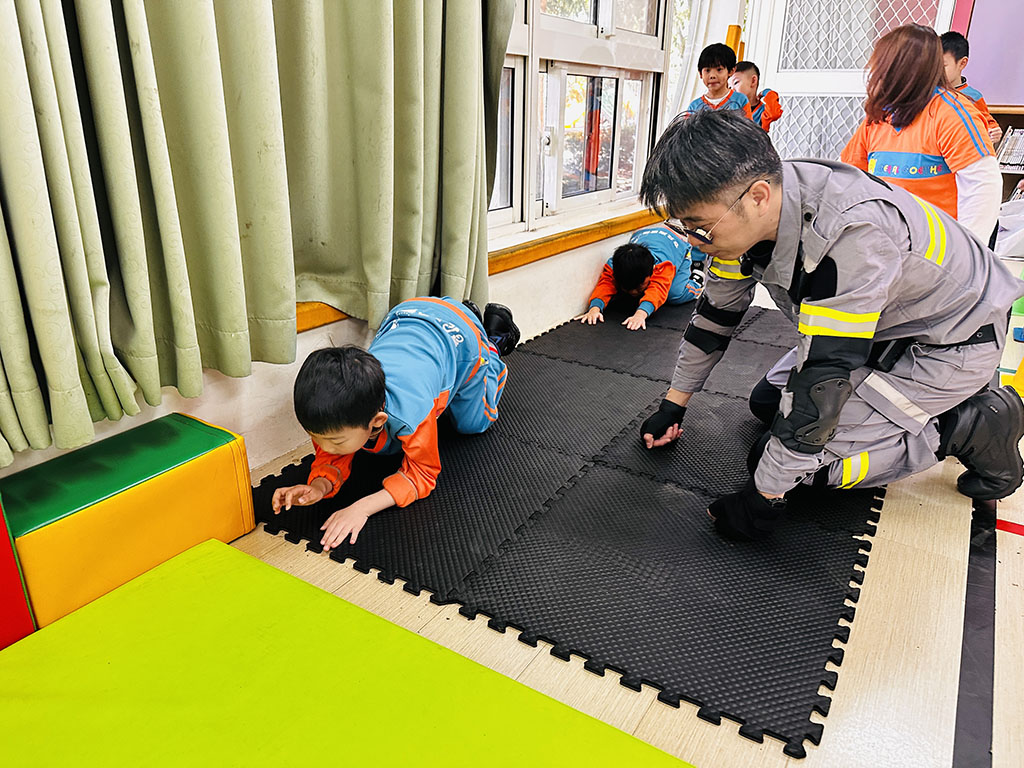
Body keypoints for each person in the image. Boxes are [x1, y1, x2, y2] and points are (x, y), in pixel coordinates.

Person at [639, 109, 1024, 541]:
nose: (693, 240)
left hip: (949, 343)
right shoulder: (751, 213)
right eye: (685, 226)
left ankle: (966, 427)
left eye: (699, 226)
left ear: (758, 196)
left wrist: (763, 498)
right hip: (881, 329)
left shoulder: (849, 235)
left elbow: (822, 380)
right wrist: (674, 405)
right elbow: (714, 319)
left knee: (794, 464)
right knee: (767, 405)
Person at [271, 297, 519, 550]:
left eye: (335, 441)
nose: (325, 447)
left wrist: (362, 508)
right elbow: (332, 456)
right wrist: (317, 487)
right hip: (407, 313)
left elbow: (423, 473)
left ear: (377, 420)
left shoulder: (412, 412)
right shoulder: (343, 407)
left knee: (473, 423)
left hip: (460, 336)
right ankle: (462, 314)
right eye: (315, 437)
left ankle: (491, 344)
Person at [841, 25, 1000, 241]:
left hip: (936, 248)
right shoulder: (878, 116)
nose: (877, 75)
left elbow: (982, 188)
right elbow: (849, 176)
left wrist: (964, 252)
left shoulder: (951, 113)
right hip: (886, 244)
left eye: (884, 66)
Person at [581, 223, 705, 331]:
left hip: (679, 242)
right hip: (647, 233)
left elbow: (658, 290)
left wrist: (640, 314)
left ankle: (697, 275)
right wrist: (594, 308)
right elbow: (605, 284)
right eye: (628, 288)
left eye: (640, 287)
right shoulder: (614, 265)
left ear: (651, 272)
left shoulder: (662, 265)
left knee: (674, 294)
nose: (634, 293)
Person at [940, 31, 1003, 144]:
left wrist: (994, 132)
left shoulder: (973, 97)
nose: (938, 70)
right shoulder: (930, 93)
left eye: (943, 66)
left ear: (962, 63)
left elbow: (989, 124)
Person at [684, 43, 753, 119]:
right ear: (700, 73)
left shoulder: (740, 100)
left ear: (731, 71)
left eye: (719, 69)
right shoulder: (694, 107)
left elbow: (748, 126)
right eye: (707, 70)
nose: (712, 75)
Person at [729, 61, 783, 133]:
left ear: (753, 81)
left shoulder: (762, 112)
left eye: (736, 83)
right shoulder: (729, 108)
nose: (732, 90)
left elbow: (774, 114)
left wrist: (766, 92)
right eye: (729, 87)